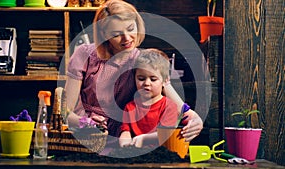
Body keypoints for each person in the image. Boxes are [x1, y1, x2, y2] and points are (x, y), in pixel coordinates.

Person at [65, 0, 203, 147]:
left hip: (124, 140)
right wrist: (86, 123)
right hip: (86, 138)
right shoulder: (84, 54)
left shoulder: (144, 61)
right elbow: (66, 112)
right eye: (117, 34)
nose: (127, 38)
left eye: (131, 28)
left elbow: (178, 105)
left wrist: (195, 119)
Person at [119, 48, 185, 148]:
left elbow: (166, 135)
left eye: (153, 79)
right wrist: (125, 145)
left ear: (165, 81)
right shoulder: (130, 107)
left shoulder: (169, 106)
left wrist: (143, 138)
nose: (146, 83)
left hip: (162, 153)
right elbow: (125, 132)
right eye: (141, 78)